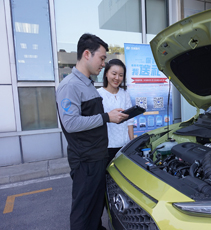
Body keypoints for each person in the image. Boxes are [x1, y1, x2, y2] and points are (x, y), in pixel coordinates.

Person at [56, 33, 128, 230]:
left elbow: (89, 119)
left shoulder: (87, 84)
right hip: (85, 161)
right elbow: (71, 123)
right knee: (83, 211)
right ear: (87, 54)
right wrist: (107, 117)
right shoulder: (70, 86)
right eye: (102, 58)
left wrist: (110, 115)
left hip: (97, 157)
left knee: (96, 207)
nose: (104, 64)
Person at [97, 59, 134, 164]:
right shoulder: (98, 94)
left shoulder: (124, 93)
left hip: (124, 144)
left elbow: (129, 120)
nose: (117, 78)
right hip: (106, 146)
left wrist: (131, 142)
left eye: (121, 75)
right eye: (114, 74)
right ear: (106, 74)